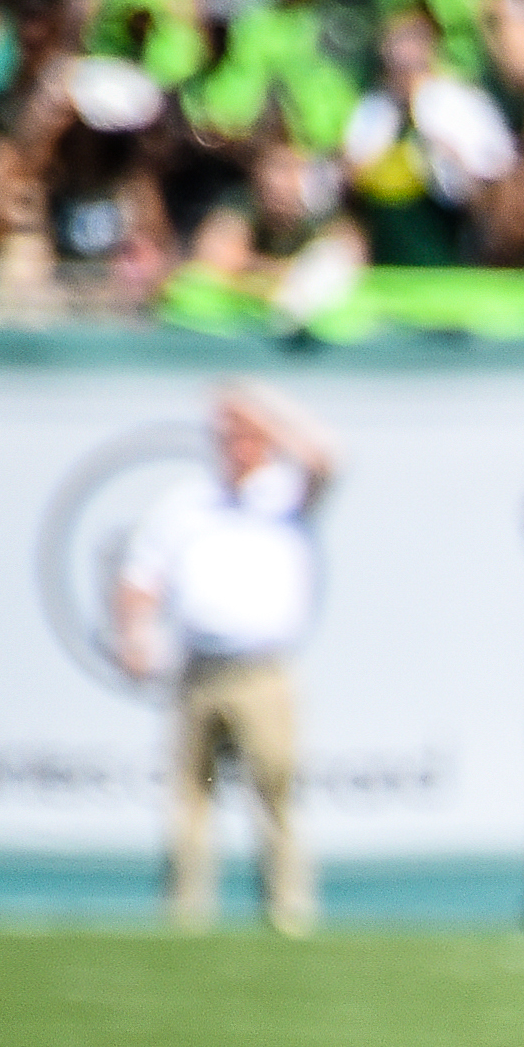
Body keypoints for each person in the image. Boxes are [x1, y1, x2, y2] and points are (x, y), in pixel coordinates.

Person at [113, 381, 338, 937]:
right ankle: (186, 919)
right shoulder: (189, 503)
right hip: (198, 670)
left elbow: (328, 458)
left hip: (262, 670)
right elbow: (141, 577)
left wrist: (263, 404)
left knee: (276, 793)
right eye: (225, 435)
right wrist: (136, 634)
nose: (233, 446)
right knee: (189, 800)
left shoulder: (283, 495)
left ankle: (290, 917)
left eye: (244, 435)